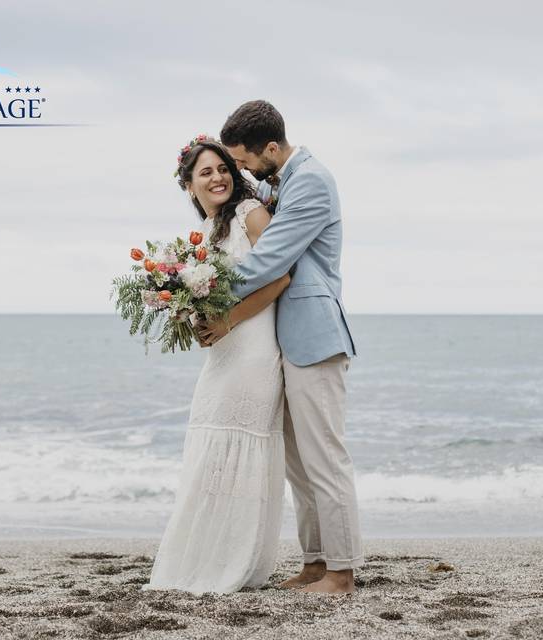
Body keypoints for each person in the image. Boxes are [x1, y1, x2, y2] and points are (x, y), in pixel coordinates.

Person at [201, 100, 362, 594]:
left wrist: (207, 291)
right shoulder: (282, 181)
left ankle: (341, 570)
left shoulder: (311, 181)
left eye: (245, 160)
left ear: (271, 147)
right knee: (297, 461)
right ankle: (316, 562)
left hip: (314, 336)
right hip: (284, 341)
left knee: (324, 458)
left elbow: (270, 258)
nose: (243, 169)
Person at [143, 137, 290, 594]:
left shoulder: (251, 215)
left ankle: (235, 564)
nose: (217, 177)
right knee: (209, 446)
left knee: (241, 447)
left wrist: (229, 320)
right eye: (205, 173)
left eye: (223, 168)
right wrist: (189, 315)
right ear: (189, 186)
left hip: (254, 349)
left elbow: (282, 274)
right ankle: (203, 559)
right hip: (223, 354)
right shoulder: (202, 238)